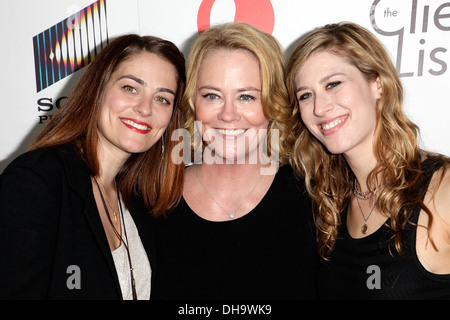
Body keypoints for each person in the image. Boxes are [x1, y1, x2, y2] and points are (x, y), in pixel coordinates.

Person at [0, 34, 186, 299]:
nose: (145, 108)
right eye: (130, 88)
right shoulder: (37, 181)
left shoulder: (139, 200)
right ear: (97, 89)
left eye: (162, 99)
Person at [152, 22, 318, 300]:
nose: (228, 115)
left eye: (246, 96)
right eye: (212, 95)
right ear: (193, 102)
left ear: (273, 102)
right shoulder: (154, 198)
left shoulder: (313, 197)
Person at [286, 22, 450, 299]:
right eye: (306, 95)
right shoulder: (328, 204)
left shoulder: (442, 189)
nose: (319, 107)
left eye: (333, 84)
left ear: (377, 84)